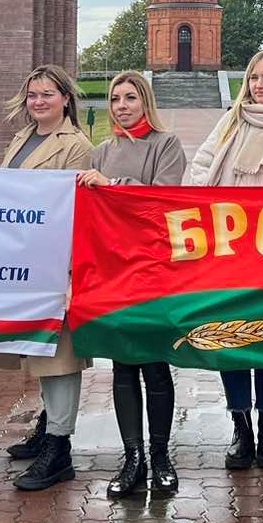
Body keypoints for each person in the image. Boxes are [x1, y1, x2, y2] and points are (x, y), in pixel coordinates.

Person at [187, 48, 263, 471]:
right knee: (230, 338)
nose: (259, 85)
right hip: (226, 248)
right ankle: (241, 429)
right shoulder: (230, 122)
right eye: (254, 77)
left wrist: (257, 214)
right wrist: (213, 205)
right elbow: (201, 166)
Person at [77, 70, 187, 498]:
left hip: (153, 268)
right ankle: (133, 457)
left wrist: (114, 186)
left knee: (155, 363)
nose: (121, 105)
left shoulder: (166, 145)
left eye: (130, 97)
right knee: (122, 365)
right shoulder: (101, 151)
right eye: (115, 99)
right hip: (114, 269)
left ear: (145, 102)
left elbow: (163, 200)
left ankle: (161, 456)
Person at [0, 65, 95, 492]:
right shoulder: (23, 138)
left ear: (65, 99)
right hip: (25, 260)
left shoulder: (77, 146)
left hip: (57, 262)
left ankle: (59, 446)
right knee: (38, 350)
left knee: (60, 356)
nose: (39, 102)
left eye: (47, 94)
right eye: (33, 95)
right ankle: (46, 424)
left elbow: (76, 209)